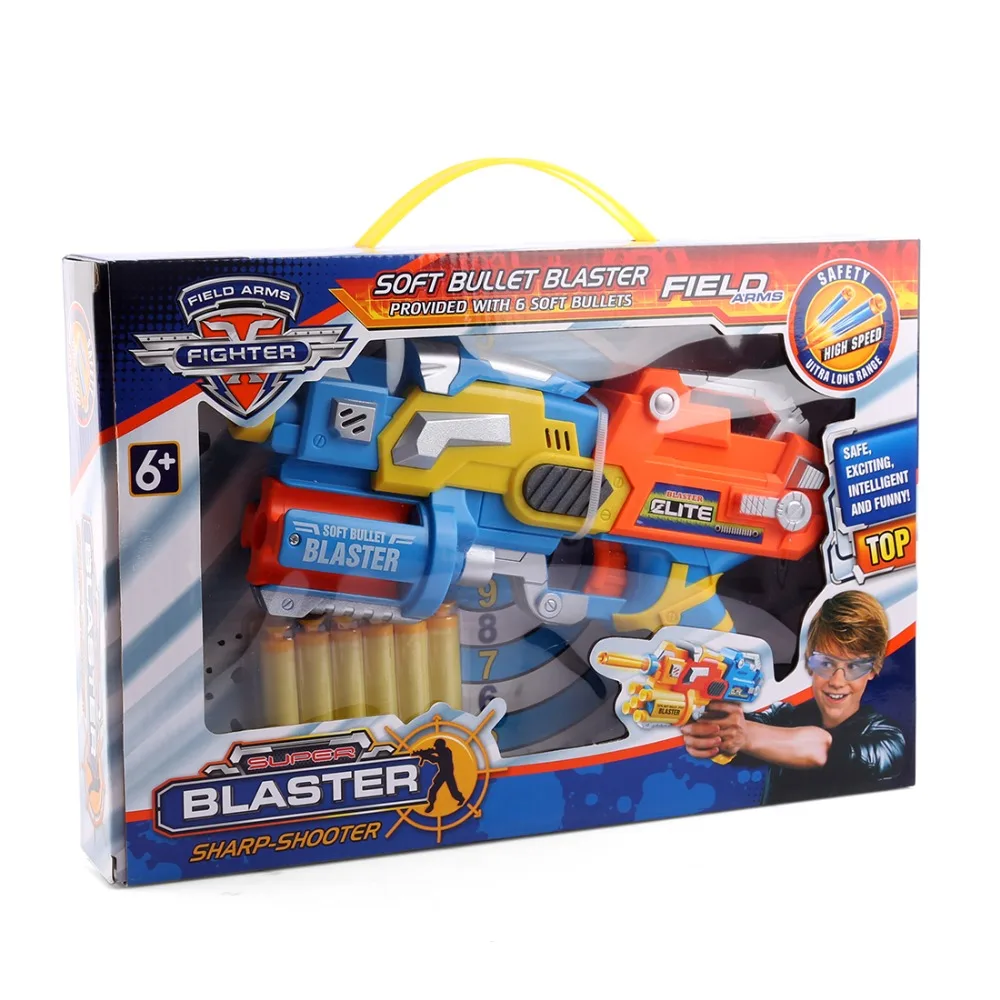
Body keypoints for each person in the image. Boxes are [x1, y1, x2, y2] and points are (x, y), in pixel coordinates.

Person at [680, 590, 906, 803]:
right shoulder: (785, 714)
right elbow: (735, 730)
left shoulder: (888, 739)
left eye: (854, 667)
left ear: (873, 669)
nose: (837, 681)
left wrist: (745, 735)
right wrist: (707, 721)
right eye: (826, 663)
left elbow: (822, 748)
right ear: (809, 663)